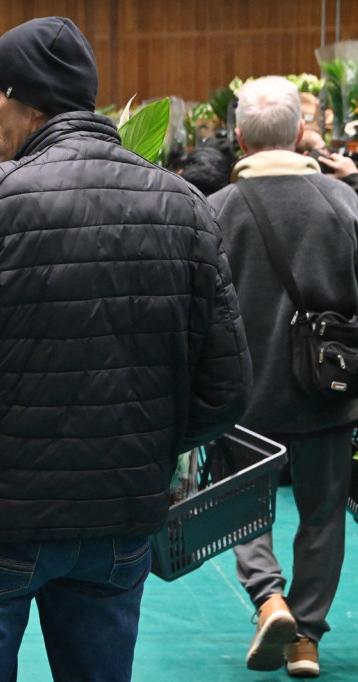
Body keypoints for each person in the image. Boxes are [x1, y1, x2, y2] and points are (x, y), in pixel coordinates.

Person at [0, 16, 252, 681]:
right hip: (117, 518)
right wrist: (143, 442)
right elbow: (225, 391)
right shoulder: (185, 206)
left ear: (31, 101)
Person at [208, 75, 358, 678]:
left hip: (243, 391)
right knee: (323, 514)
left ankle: (269, 598)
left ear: (238, 137)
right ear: (301, 132)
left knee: (244, 504)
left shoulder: (214, 212)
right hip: (328, 388)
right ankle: (307, 640)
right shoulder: (346, 205)